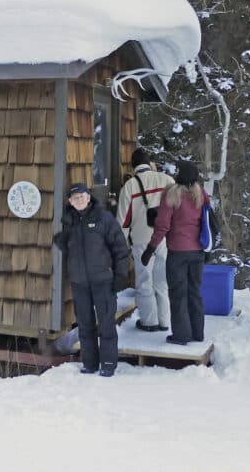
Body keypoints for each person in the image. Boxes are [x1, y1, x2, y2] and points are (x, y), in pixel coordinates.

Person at [54, 182, 129, 377]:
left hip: (102, 280)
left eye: (82, 196)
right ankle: (90, 363)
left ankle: (108, 364)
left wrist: (121, 275)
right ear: (70, 202)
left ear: (88, 197)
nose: (79, 200)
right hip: (80, 282)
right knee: (85, 324)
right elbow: (68, 245)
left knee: (106, 323)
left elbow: (120, 248)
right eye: (74, 198)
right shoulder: (69, 220)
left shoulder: (103, 218)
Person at [139, 160, 208, 345]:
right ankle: (197, 333)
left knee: (178, 294)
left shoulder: (171, 195)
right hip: (198, 252)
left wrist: (150, 249)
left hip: (177, 252)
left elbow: (162, 226)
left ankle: (181, 335)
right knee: (194, 292)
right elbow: (207, 221)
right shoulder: (201, 195)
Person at [116, 148, 174, 332]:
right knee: (162, 281)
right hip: (165, 237)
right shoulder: (166, 180)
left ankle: (149, 322)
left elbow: (123, 220)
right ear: (150, 164)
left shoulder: (130, 186)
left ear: (133, 166)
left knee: (144, 281)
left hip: (141, 239)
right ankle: (165, 321)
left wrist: (120, 245)